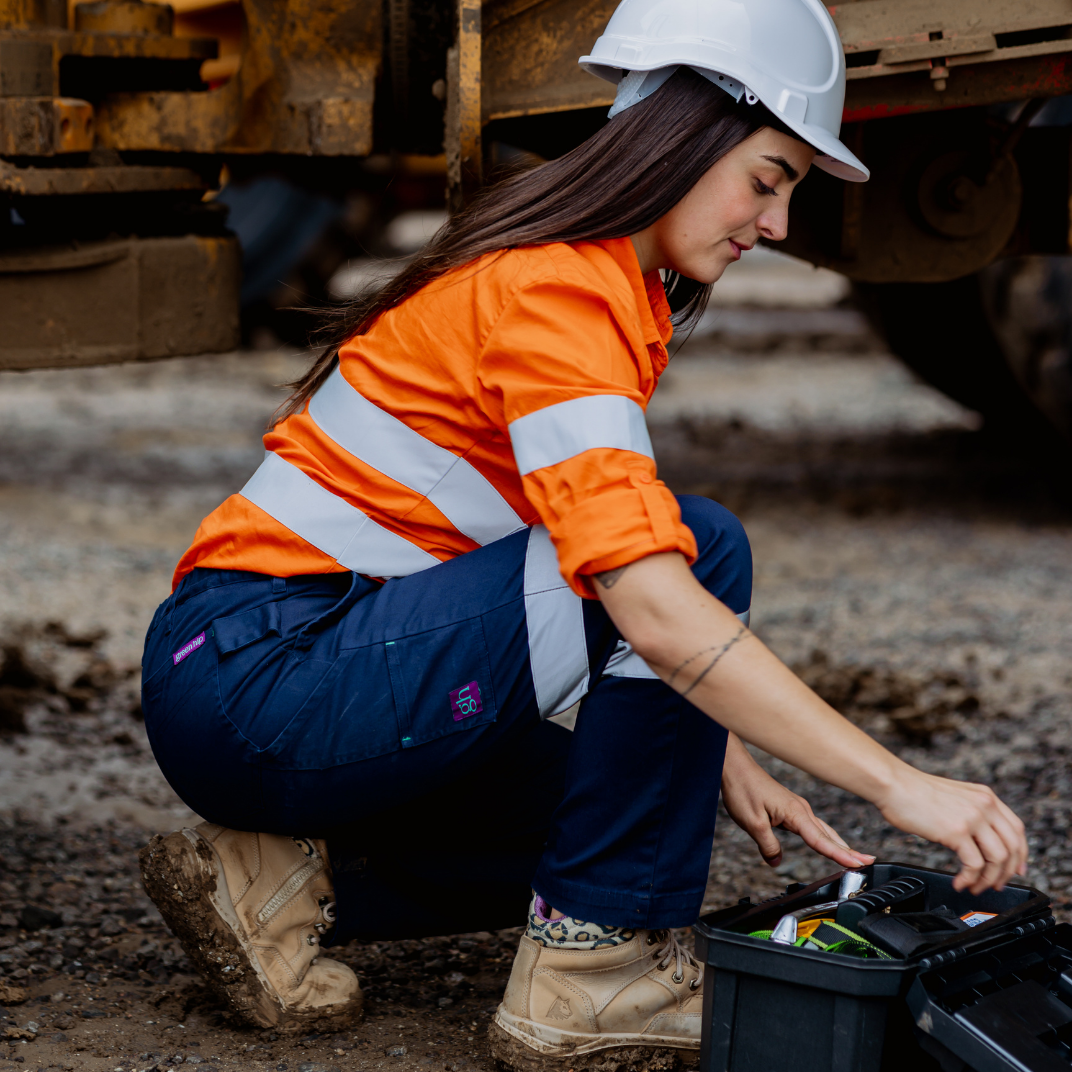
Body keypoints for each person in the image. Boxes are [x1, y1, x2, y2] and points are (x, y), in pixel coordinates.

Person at [137, 0, 1029, 1061]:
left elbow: (587, 574)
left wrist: (712, 746)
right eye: (769, 177)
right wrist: (901, 785)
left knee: (633, 809)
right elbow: (646, 600)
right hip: (267, 670)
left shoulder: (585, 275)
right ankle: (589, 975)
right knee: (696, 552)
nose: (777, 225)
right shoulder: (560, 289)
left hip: (258, 669)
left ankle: (279, 883)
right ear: (685, 133)